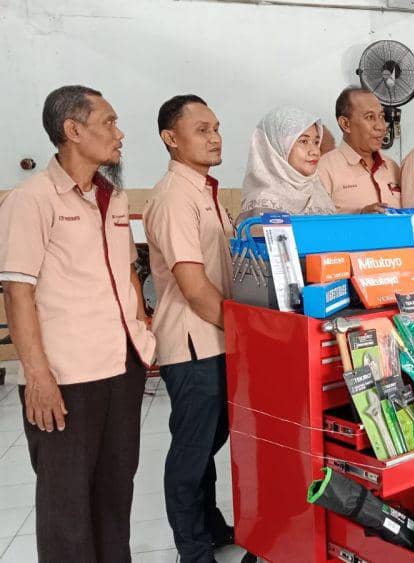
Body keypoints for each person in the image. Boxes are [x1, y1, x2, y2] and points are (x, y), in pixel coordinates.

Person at [0, 85, 156, 562]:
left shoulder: (113, 197)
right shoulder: (31, 201)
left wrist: (143, 333)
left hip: (121, 368)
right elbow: (18, 293)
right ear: (73, 131)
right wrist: (38, 378)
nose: (120, 133)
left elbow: (129, 273)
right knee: (66, 506)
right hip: (67, 379)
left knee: (114, 496)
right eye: (108, 122)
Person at [144, 95, 236, 562]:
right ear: (170, 138)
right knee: (191, 452)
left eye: (216, 127)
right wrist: (245, 335)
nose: (215, 136)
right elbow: (194, 286)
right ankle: (193, 551)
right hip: (193, 343)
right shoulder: (174, 195)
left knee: (209, 442)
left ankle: (213, 528)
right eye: (201, 129)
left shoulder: (203, 190)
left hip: (216, 338)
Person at [239, 106, 336, 220]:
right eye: (304, 141)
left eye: (316, 142)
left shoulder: (318, 193)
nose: (315, 151)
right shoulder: (265, 202)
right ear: (277, 147)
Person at [317, 86, 401, 214]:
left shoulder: (393, 167)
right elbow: (316, 228)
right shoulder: (324, 169)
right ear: (346, 124)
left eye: (381, 116)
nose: (381, 126)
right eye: (369, 117)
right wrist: (359, 219)